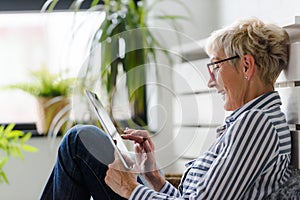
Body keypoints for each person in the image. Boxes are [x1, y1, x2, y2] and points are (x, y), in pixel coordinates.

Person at [41, 17, 291, 200]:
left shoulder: (257, 123)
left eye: (215, 66)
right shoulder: (250, 121)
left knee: (78, 142)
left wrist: (131, 189)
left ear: (246, 66)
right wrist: (153, 177)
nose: (210, 80)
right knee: (80, 141)